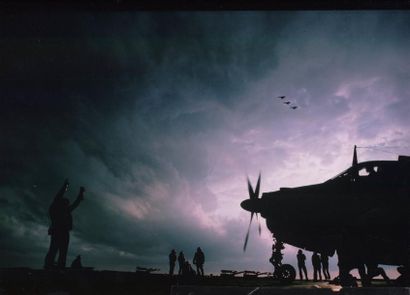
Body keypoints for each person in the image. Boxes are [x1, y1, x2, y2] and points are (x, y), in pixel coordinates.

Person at [44, 179, 85, 269]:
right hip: (58, 231)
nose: (67, 204)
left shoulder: (66, 210)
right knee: (54, 250)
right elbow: (59, 195)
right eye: (66, 203)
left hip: (63, 232)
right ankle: (49, 266)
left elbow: (76, 203)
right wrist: (65, 186)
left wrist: (80, 193)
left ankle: (59, 267)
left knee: (62, 252)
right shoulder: (56, 209)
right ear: (61, 203)